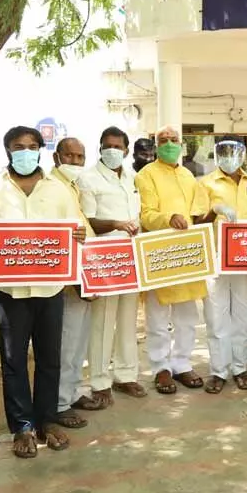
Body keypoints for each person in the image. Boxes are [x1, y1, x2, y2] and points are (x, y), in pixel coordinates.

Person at [0, 126, 87, 459]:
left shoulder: (59, 189)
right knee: (13, 360)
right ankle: (22, 426)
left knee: (50, 356)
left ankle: (47, 420)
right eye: (19, 147)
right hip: (10, 289)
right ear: (7, 150)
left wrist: (78, 238)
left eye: (33, 146)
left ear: (41, 150)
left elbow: (77, 228)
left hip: (51, 286)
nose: (26, 152)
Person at [135, 125, 208, 394]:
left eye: (173, 140)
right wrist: (169, 218)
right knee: (157, 315)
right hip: (160, 251)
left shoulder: (189, 174)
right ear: (156, 145)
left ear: (181, 144)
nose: (168, 144)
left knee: (187, 315)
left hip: (188, 252)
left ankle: (182, 363)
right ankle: (160, 367)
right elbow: (146, 214)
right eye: (163, 140)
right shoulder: (146, 175)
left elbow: (199, 210)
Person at [77, 126, 146, 404]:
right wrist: (117, 225)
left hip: (131, 257)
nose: (112, 151)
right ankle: (99, 381)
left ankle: (126, 376)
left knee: (129, 319)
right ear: (100, 148)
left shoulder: (133, 178)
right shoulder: (88, 178)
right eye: (107, 146)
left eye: (117, 147)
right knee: (103, 321)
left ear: (126, 151)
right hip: (103, 258)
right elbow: (89, 220)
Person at [196, 137, 247, 394]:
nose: (229, 157)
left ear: (243, 155)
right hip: (216, 258)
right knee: (216, 316)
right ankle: (218, 371)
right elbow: (197, 221)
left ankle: (240, 367)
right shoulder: (205, 183)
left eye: (234, 152)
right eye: (223, 152)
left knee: (243, 316)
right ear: (216, 156)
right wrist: (215, 210)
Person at [48, 137, 106, 428]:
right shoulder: (51, 187)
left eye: (79, 156)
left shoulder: (72, 187)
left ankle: (70, 394)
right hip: (68, 280)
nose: (74, 161)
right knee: (67, 343)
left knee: (78, 341)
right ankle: (58, 403)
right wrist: (76, 278)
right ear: (57, 157)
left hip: (85, 275)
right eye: (68, 155)